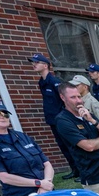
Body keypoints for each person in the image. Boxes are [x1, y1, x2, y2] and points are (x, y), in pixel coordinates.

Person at [29, 52, 77, 180]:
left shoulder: (54, 82)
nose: (34, 65)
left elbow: (64, 100)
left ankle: (82, 170)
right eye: (33, 62)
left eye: (36, 62)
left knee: (71, 145)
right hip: (52, 120)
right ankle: (75, 170)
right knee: (63, 146)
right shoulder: (42, 82)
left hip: (61, 119)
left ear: (45, 65)